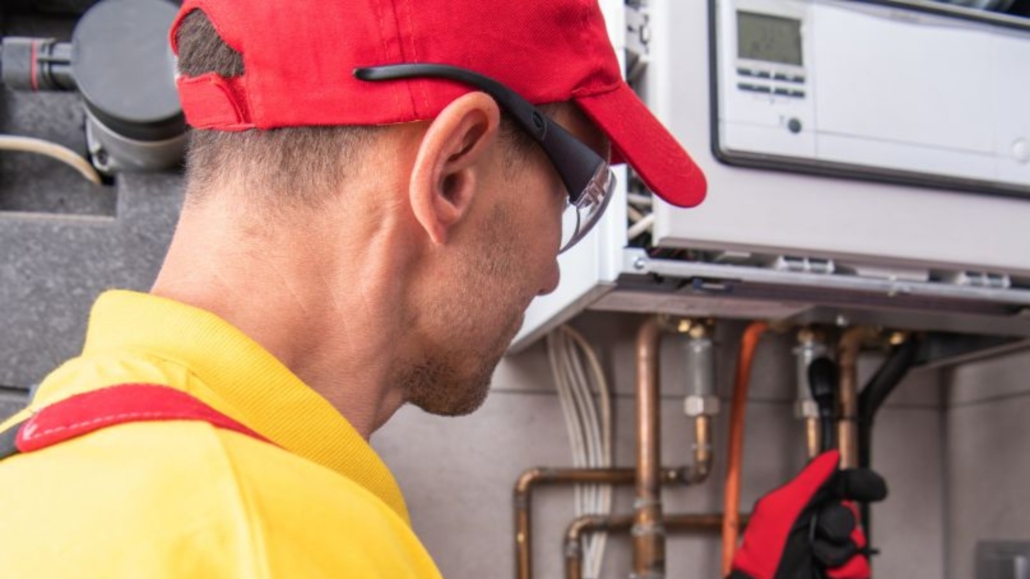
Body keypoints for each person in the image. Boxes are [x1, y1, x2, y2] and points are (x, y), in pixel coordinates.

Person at [0, 0, 883, 577]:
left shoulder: (42, 462)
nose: (549, 270)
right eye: (571, 196)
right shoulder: (286, 544)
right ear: (454, 169)